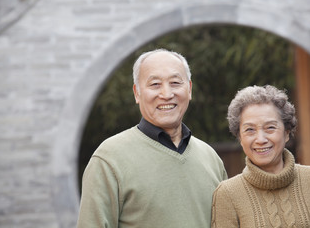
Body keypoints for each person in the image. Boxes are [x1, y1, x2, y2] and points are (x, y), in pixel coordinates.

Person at [77, 48, 227, 228]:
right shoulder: (109, 159)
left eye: (175, 82)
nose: (166, 94)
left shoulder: (210, 158)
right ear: (137, 93)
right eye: (155, 84)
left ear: (189, 89)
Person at [211, 85, 310, 228]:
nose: (261, 139)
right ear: (240, 137)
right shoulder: (227, 194)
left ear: (287, 132)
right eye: (249, 130)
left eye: (270, 127)